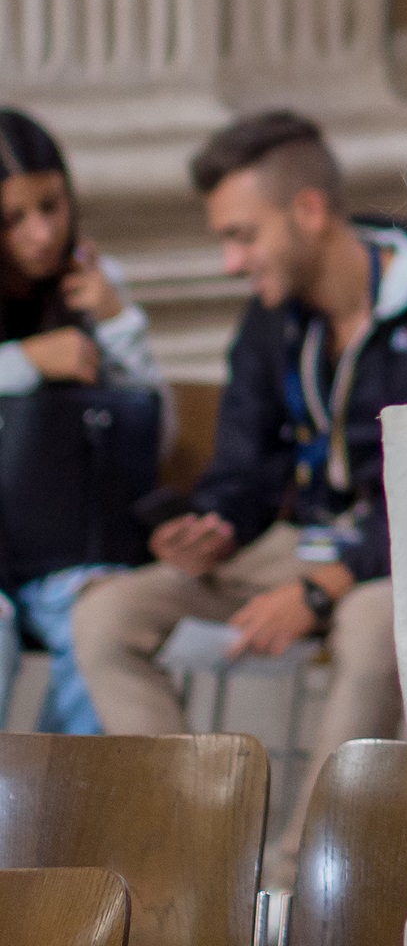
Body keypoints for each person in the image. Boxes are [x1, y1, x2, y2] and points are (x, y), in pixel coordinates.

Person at [73, 110, 407, 875]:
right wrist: (214, 523)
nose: (228, 262)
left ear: (308, 212)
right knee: (106, 616)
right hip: (296, 549)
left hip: (399, 558)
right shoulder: (271, 321)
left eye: (241, 236)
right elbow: (243, 475)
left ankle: (299, 877)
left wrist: (319, 591)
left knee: (373, 628)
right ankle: (197, 855)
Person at [0, 107, 166, 734]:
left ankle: (65, 819)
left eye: (51, 206)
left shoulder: (94, 284)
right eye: (13, 217)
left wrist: (119, 324)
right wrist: (26, 361)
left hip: (65, 543)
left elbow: (157, 432)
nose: (41, 233)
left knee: (92, 624)